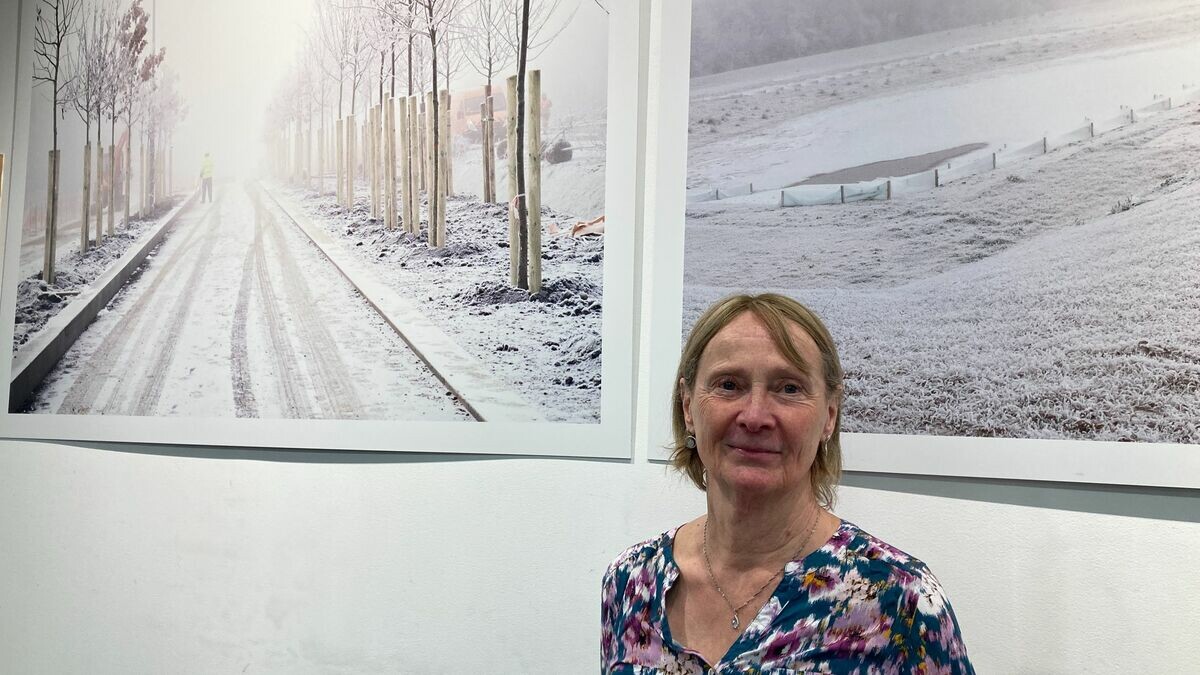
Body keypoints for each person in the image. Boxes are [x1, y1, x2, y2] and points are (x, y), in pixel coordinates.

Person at [602, 293, 973, 673]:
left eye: (789, 388)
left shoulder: (899, 598)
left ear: (829, 415)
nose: (755, 416)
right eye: (729, 385)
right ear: (687, 407)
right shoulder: (632, 580)